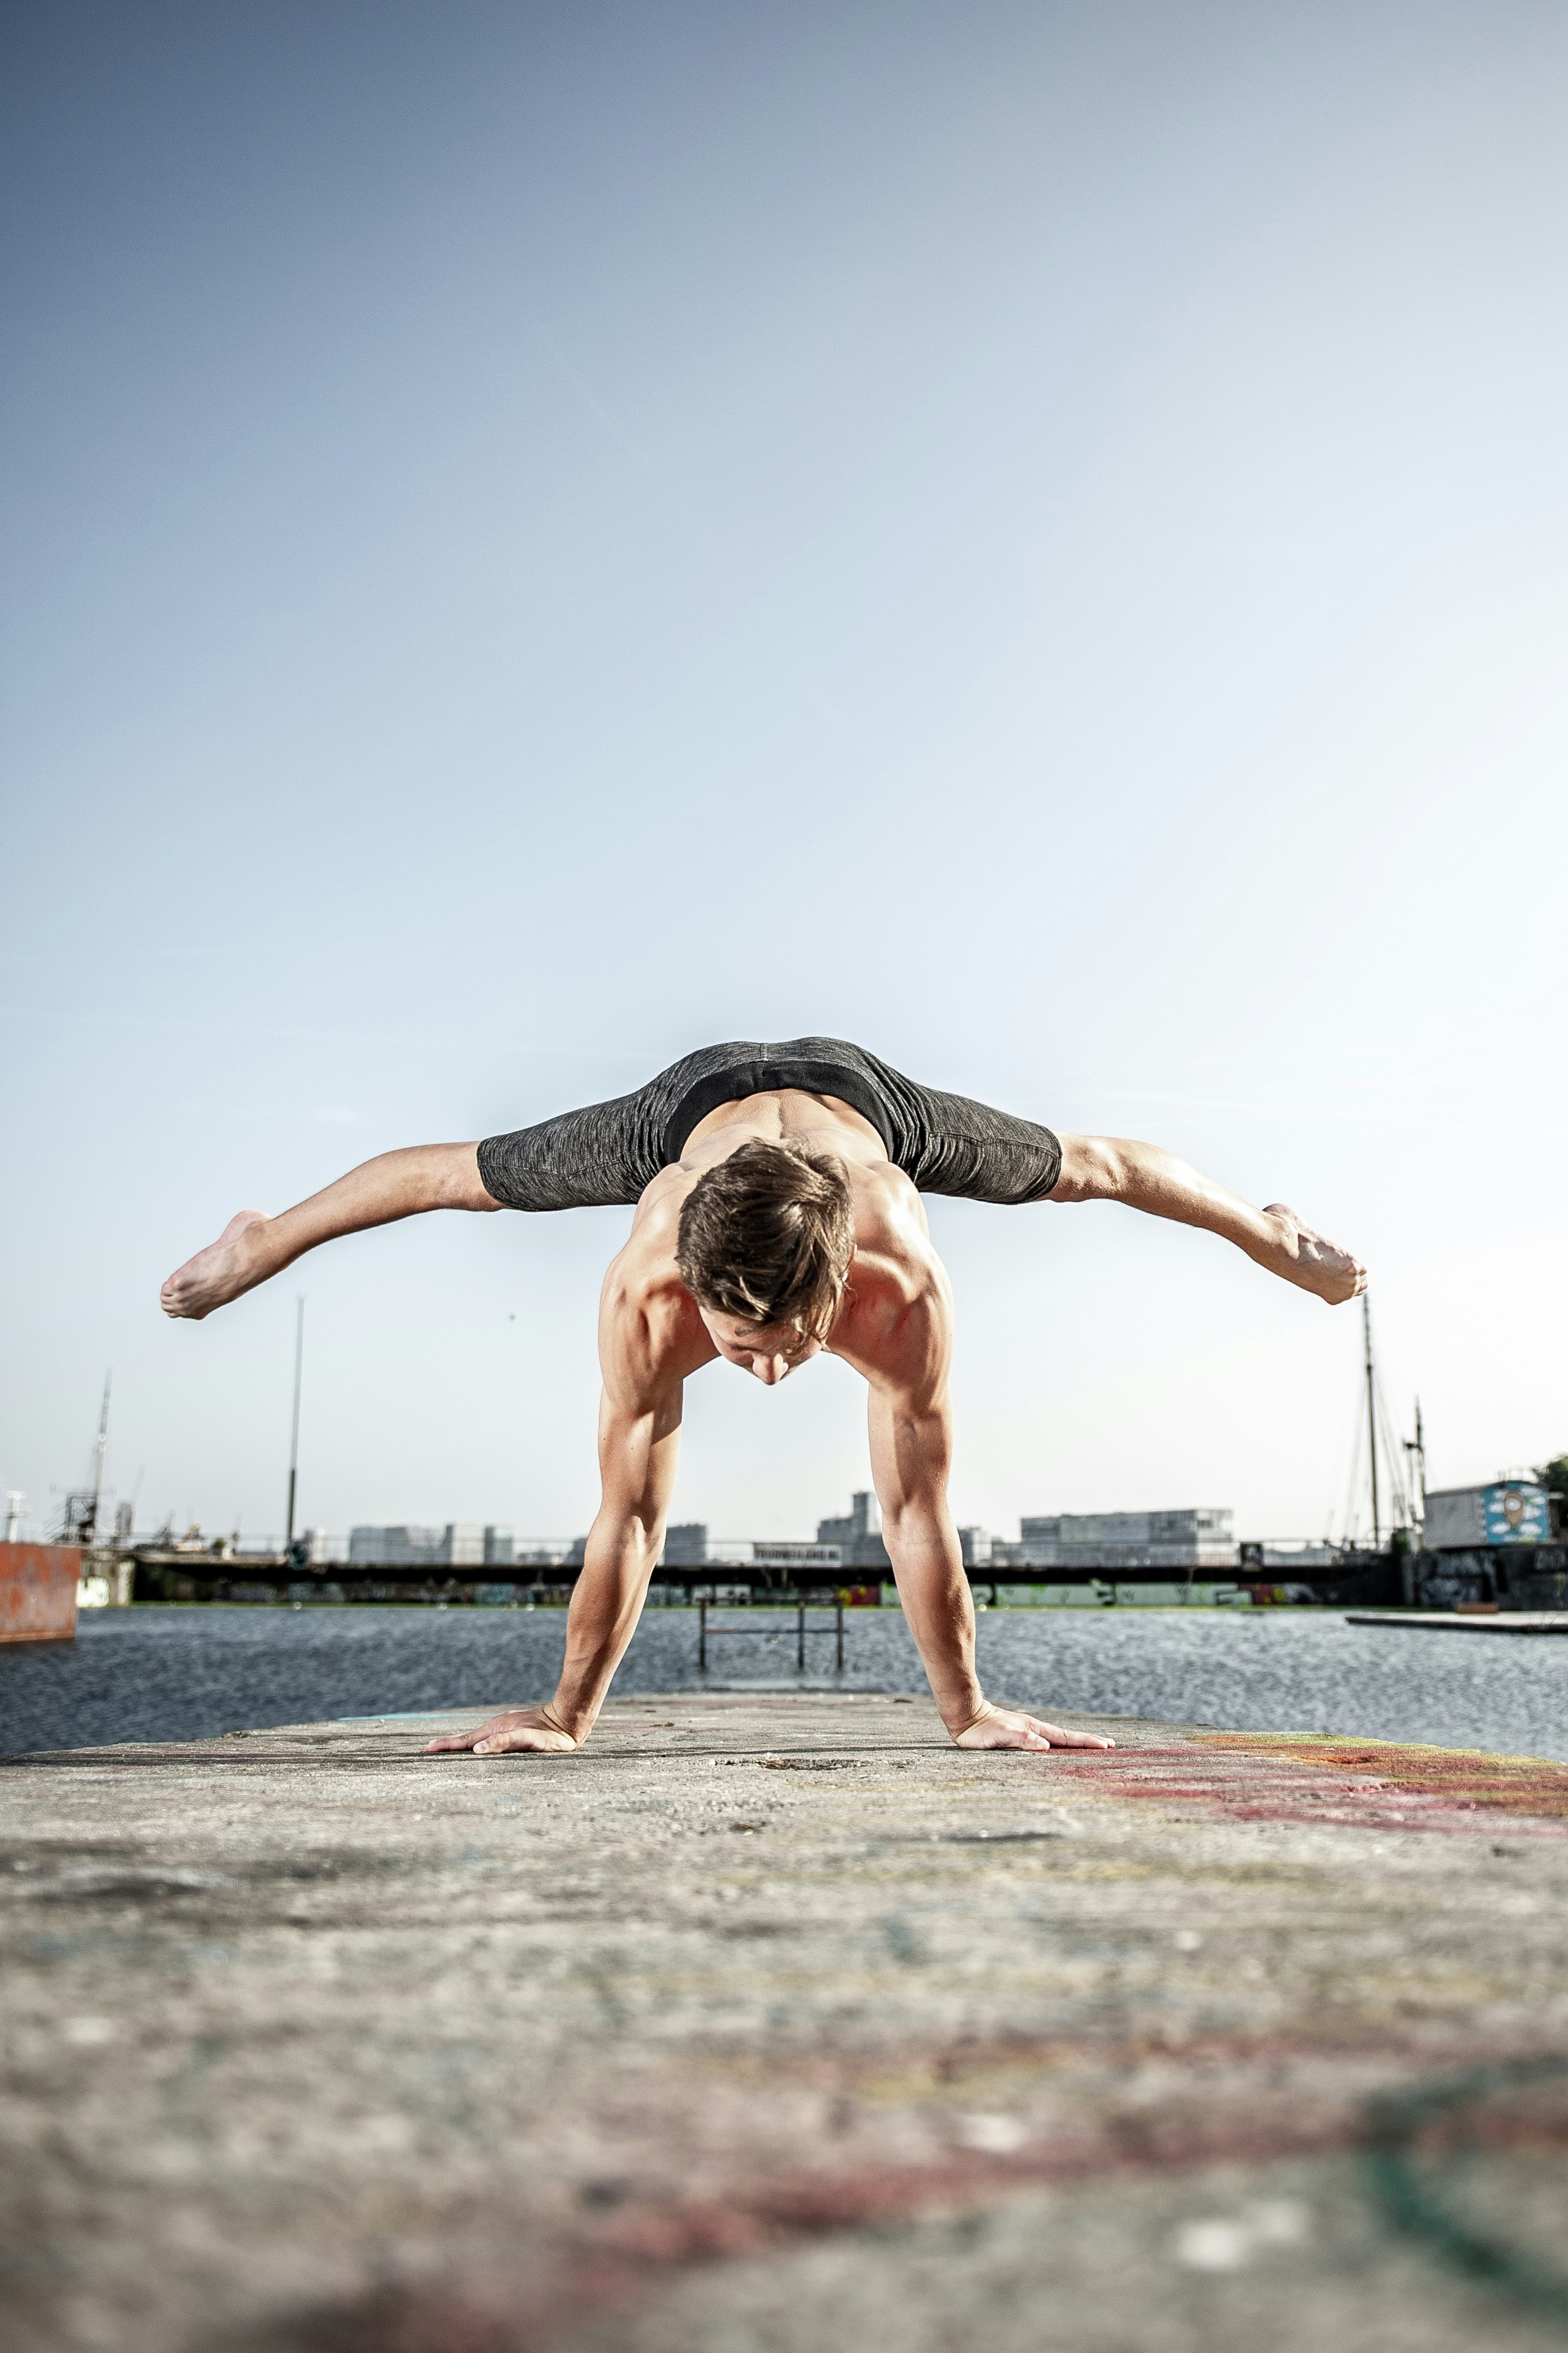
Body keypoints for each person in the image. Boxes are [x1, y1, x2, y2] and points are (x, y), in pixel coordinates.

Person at [161, 1037, 1365, 1759]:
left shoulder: (901, 1284)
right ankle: (265, 1237)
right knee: (463, 1182)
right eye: (742, 1346)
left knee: (1083, 1171)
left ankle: (1264, 1228)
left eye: (792, 1343)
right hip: (690, 1112)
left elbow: (917, 1508)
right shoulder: (647, 1289)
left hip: (860, 1100)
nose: (776, 1372)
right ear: (693, 1292)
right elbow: (628, 1515)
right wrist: (564, 1715)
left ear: (843, 1288)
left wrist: (969, 1711)